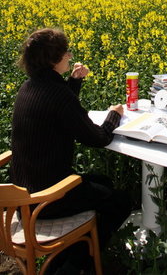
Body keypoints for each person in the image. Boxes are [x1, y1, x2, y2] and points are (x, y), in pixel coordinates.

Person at [10, 28, 131, 274]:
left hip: (22, 196)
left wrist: (74, 82)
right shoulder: (57, 95)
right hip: (46, 200)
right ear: (55, 60)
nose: (69, 56)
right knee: (119, 202)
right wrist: (114, 116)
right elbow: (98, 138)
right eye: (66, 53)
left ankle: (70, 253)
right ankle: (71, 265)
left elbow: (58, 111)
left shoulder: (29, 87)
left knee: (103, 182)